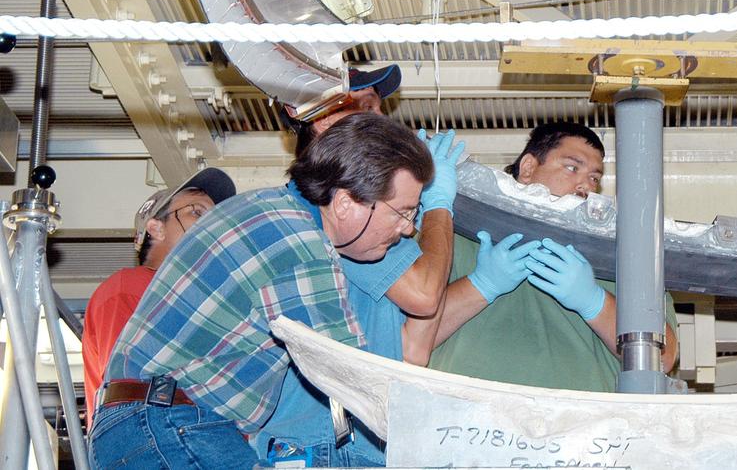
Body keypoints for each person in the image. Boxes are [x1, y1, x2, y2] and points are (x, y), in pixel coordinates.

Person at [88, 113, 444, 470]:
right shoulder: (302, 245)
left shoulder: (269, 208)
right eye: (402, 212)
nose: (407, 229)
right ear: (345, 203)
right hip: (166, 424)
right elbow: (354, 377)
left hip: (152, 424)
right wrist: (453, 432)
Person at [256, 63, 462, 467]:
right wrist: (439, 207)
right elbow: (423, 294)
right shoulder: (328, 214)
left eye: (379, 107)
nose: (381, 118)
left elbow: (413, 351)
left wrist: (488, 283)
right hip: (315, 445)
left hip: (364, 448)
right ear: (322, 120)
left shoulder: (376, 227)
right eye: (365, 107)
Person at [428, 122, 680, 391]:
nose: (585, 186)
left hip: (582, 416)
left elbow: (663, 359)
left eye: (594, 178)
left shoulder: (620, 257)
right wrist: (480, 285)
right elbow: (407, 340)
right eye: (572, 168)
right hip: (465, 412)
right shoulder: (456, 236)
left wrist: (595, 302)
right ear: (528, 168)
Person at [81, 168, 236, 427]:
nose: (212, 227)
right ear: (156, 228)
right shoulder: (133, 285)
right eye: (197, 212)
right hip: (161, 429)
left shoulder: (206, 305)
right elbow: (129, 390)